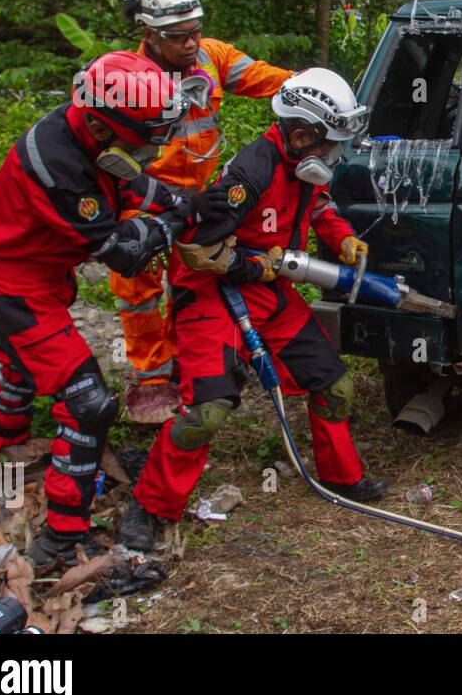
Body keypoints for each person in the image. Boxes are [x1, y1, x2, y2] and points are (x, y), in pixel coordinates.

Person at [0, 51, 229, 567]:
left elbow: (132, 179)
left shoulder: (90, 138)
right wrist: (172, 224)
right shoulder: (59, 166)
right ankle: (61, 539)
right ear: (99, 124)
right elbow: (126, 253)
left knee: (20, 367)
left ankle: (6, 452)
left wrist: (186, 200)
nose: (152, 147)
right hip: (13, 288)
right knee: (89, 403)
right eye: (144, 137)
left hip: (37, 275)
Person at [117, 67, 388, 550]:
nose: (334, 155)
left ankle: (341, 477)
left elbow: (317, 204)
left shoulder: (304, 166)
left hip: (271, 293)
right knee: (207, 410)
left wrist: (342, 238)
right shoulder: (249, 173)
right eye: (330, 144)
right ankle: (150, 504)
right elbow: (197, 249)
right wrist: (255, 267)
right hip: (208, 294)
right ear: (302, 133)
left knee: (335, 386)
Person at [113, 0, 294, 425]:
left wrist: (306, 87)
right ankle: (152, 379)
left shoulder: (211, 56)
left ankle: (195, 364)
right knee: (138, 287)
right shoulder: (130, 80)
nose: (191, 42)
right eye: (179, 37)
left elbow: (258, 76)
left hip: (201, 195)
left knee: (198, 278)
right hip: (147, 194)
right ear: (149, 34)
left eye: (195, 30)